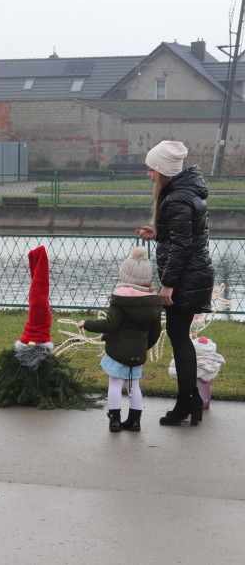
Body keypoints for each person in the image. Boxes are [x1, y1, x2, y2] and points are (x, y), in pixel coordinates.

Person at [135, 140, 214, 426]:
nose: (148, 174)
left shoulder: (177, 198)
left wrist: (167, 284)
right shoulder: (186, 192)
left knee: (179, 339)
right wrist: (157, 234)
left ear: (162, 170)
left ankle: (186, 402)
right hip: (194, 275)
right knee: (180, 337)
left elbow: (182, 247)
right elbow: (184, 238)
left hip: (185, 279)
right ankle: (189, 400)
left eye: (151, 169)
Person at [78, 247, 163, 432]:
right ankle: (135, 421)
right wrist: (143, 347)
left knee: (115, 384)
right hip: (137, 353)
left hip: (116, 352)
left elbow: (110, 325)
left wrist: (86, 323)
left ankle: (114, 420)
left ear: (126, 277)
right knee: (134, 387)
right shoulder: (154, 302)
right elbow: (156, 332)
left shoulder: (120, 299)